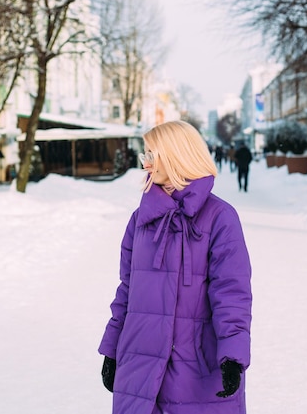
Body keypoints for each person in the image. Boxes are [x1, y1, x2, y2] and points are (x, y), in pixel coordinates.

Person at [98, 120, 252, 414]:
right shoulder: (141, 219)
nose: (146, 164)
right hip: (139, 360)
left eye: (152, 155)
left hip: (194, 366)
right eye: (145, 156)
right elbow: (127, 290)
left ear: (177, 155)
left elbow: (232, 294)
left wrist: (233, 355)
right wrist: (112, 349)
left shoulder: (220, 218)